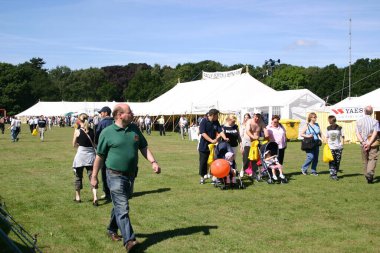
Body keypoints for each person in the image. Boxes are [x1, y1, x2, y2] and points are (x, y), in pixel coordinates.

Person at [90, 103, 161, 252]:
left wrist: (153, 162)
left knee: (119, 204)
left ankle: (111, 229)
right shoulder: (107, 132)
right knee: (123, 207)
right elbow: (100, 156)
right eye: (130, 112)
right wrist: (94, 176)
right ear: (119, 115)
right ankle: (129, 241)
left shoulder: (134, 128)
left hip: (131, 175)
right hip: (114, 175)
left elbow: (143, 147)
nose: (133, 113)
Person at [72, 113, 98, 205]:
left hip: (80, 156)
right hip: (91, 156)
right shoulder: (92, 131)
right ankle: (95, 197)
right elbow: (95, 144)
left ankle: (78, 197)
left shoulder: (77, 131)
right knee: (92, 176)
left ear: (79, 120)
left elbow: (73, 145)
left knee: (78, 177)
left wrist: (78, 144)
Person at [198, 109, 228, 184]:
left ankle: (214, 176)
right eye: (217, 115)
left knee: (214, 162)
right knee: (203, 162)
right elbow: (203, 133)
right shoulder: (204, 121)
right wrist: (211, 140)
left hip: (213, 146)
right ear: (213, 115)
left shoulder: (216, 122)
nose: (217, 117)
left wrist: (224, 138)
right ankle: (202, 177)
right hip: (204, 146)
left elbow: (220, 131)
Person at [242, 110, 269, 180]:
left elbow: (265, 129)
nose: (257, 118)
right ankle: (244, 170)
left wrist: (266, 134)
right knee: (246, 157)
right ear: (254, 115)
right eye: (256, 116)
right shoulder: (249, 121)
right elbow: (247, 131)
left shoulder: (261, 122)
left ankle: (254, 173)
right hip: (248, 140)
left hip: (256, 141)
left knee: (255, 157)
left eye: (258, 116)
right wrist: (253, 137)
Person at [355, 105, 379, 184]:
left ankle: (367, 175)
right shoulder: (375, 121)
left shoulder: (359, 121)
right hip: (373, 143)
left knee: (365, 160)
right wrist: (369, 143)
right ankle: (370, 174)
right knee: (372, 159)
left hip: (363, 144)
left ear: (364, 112)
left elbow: (357, 133)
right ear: (372, 112)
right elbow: (375, 133)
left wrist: (363, 142)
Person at [95, 106, 113, 201]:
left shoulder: (102, 123)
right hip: (114, 149)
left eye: (101, 112)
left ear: (106, 113)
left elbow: (97, 136)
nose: (100, 114)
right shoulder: (115, 121)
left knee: (104, 171)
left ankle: (107, 193)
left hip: (104, 150)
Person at [325, 115, 344, 180]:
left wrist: (342, 145)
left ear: (332, 120)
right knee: (331, 161)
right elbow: (327, 137)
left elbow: (342, 137)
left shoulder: (340, 128)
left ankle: (334, 172)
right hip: (331, 147)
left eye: (329, 120)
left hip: (338, 147)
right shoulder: (328, 128)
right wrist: (327, 145)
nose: (329, 121)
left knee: (337, 161)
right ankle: (333, 174)